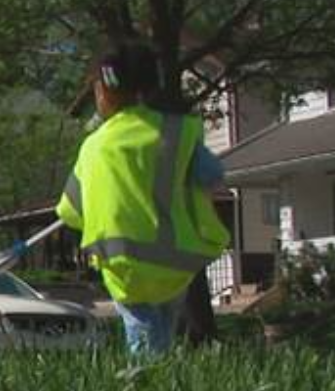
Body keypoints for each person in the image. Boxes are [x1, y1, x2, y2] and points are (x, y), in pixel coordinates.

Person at [56, 41, 230, 357]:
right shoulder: (176, 133)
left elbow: (69, 211)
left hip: (127, 266)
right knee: (164, 320)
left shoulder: (95, 147)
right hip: (178, 262)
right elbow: (212, 175)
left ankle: (147, 388)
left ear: (103, 93)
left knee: (143, 330)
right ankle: (165, 377)